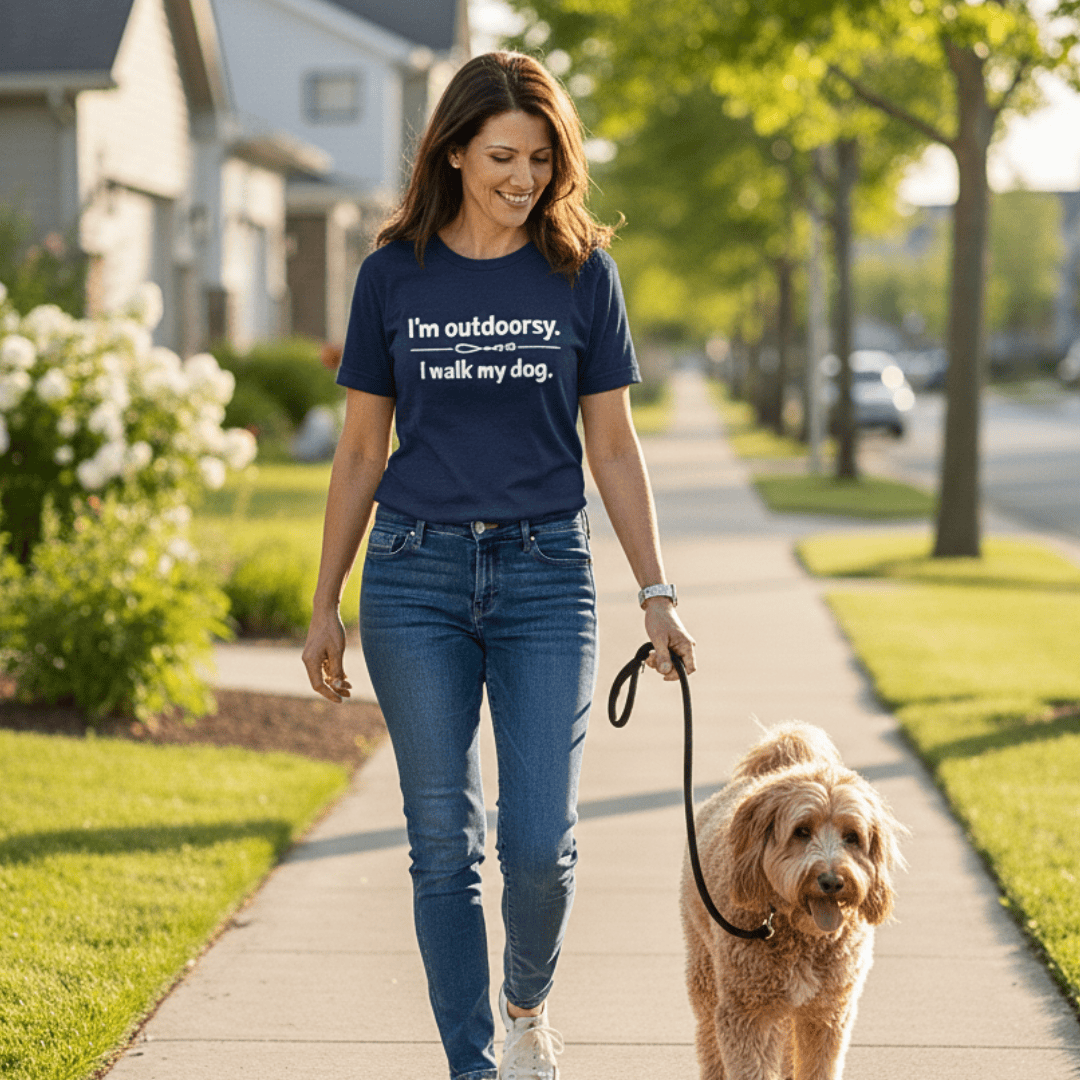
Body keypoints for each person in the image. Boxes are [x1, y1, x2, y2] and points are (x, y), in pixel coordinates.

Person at [302, 50, 695, 1080]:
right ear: (456, 151)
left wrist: (656, 593)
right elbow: (358, 453)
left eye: (541, 158)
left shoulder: (581, 274)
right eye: (502, 157)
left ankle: (526, 1004)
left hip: (544, 577)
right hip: (412, 575)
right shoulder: (393, 273)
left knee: (538, 845)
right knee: (443, 844)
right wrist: (324, 603)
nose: (523, 178)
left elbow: (612, 445)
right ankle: (475, 1065)